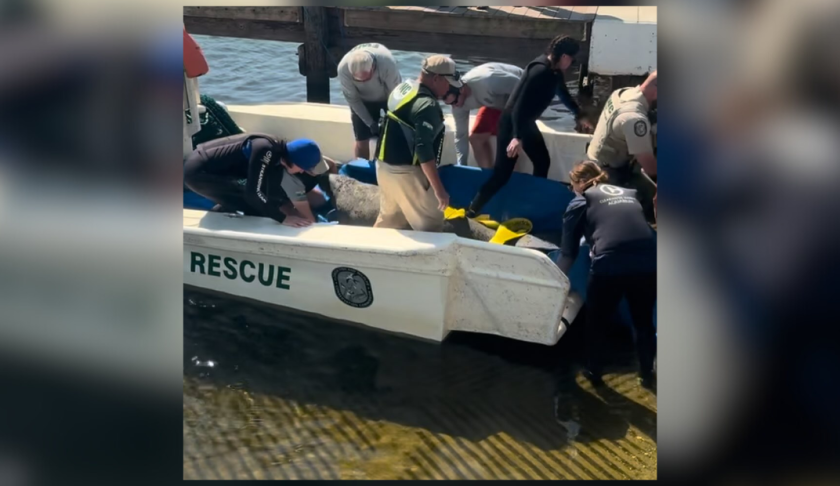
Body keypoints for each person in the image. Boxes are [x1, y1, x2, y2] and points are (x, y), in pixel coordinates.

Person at [556, 161, 657, 389]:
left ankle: (594, 371)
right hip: (649, 259)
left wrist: (552, 282)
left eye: (573, 185)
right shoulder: (629, 193)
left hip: (610, 261)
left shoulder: (581, 200)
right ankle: (646, 374)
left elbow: (568, 253)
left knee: (597, 321)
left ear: (581, 183)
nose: (573, 190)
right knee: (642, 322)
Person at [466, 35, 583, 217]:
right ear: (565, 56)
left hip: (526, 124)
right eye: (573, 59)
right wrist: (516, 137)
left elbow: (564, 95)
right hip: (513, 124)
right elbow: (517, 106)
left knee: (542, 161)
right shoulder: (539, 72)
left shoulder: (554, 72)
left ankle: (531, 206)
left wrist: (580, 115)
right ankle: (472, 210)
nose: (572, 63)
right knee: (502, 174)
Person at [373, 55, 458, 232]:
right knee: (431, 224)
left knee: (390, 221)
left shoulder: (405, 88)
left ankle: (370, 255)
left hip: (384, 167)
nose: (449, 87)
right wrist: (439, 190)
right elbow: (423, 150)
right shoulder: (427, 105)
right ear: (436, 78)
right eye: (448, 81)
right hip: (406, 173)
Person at [184, 133, 335, 227]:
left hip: (219, 170)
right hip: (198, 172)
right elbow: (253, 193)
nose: (302, 171)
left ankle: (224, 209)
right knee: (254, 204)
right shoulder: (266, 150)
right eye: (302, 168)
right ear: (292, 160)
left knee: (258, 203)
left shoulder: (279, 153)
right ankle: (221, 219)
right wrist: (283, 218)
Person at [587, 70, 658, 222]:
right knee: (650, 192)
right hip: (608, 172)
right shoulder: (634, 118)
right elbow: (649, 167)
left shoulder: (622, 93)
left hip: (595, 156)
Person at [448, 62, 523, 168]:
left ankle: (511, 177)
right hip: (495, 102)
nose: (454, 107)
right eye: (449, 104)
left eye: (454, 102)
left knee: (508, 140)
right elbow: (461, 136)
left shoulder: (489, 80)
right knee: (475, 139)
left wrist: (518, 132)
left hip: (522, 93)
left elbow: (523, 87)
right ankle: (488, 176)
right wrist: (462, 166)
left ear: (462, 89)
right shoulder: (457, 104)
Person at [337, 43, 402, 160]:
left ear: (373, 67)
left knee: (394, 137)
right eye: (358, 80)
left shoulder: (387, 63)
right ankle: (361, 171)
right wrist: (370, 123)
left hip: (388, 96)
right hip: (362, 100)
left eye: (366, 78)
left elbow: (396, 94)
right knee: (361, 140)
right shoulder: (343, 69)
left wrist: (391, 117)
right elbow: (353, 100)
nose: (363, 82)